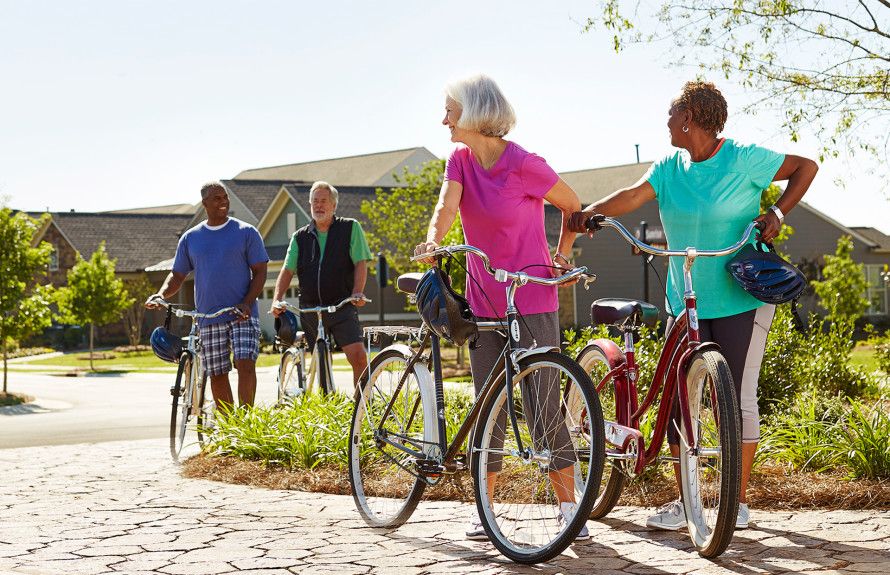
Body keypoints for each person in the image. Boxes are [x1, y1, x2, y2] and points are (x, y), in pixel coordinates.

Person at [568, 80, 818, 530]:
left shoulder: (742, 158)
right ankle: (689, 502)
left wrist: (777, 214)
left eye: (670, 113)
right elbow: (631, 195)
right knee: (680, 403)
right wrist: (591, 212)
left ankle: (735, 503)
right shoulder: (670, 167)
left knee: (735, 399)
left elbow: (806, 167)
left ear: (688, 117)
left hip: (741, 296)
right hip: (683, 302)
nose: (665, 121)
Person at [413, 74, 586, 541]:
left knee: (542, 401)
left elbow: (574, 206)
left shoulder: (525, 164)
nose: (443, 116)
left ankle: (569, 509)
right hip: (483, 299)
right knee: (488, 399)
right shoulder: (460, 160)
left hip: (530, 296)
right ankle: (484, 507)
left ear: (471, 112)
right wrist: (434, 239)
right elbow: (447, 207)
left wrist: (562, 253)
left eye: (449, 108)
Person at [147, 181, 269, 411]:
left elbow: (261, 271)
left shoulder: (246, 232)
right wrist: (160, 295)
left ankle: (248, 426)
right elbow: (177, 275)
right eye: (217, 198)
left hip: (241, 313)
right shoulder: (191, 238)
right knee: (217, 373)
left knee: (245, 364)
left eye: (225, 197)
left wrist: (247, 302)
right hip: (208, 317)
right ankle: (230, 428)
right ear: (204, 204)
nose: (223, 202)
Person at [271, 181, 372, 386]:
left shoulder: (350, 227)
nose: (319, 205)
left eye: (323, 201)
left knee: (359, 357)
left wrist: (357, 292)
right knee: (322, 361)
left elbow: (361, 262)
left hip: (342, 305)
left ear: (334, 205)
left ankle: (363, 406)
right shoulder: (300, 237)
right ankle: (328, 405)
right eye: (314, 201)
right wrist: (276, 299)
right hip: (311, 308)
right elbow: (288, 269)